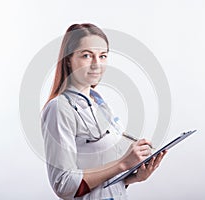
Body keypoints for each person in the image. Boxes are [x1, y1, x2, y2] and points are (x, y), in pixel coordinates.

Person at [41, 23, 166, 200]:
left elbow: (104, 177)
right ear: (68, 59)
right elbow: (63, 185)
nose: (96, 64)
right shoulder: (59, 108)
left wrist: (134, 177)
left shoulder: (100, 103)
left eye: (103, 56)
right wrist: (123, 164)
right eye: (86, 55)